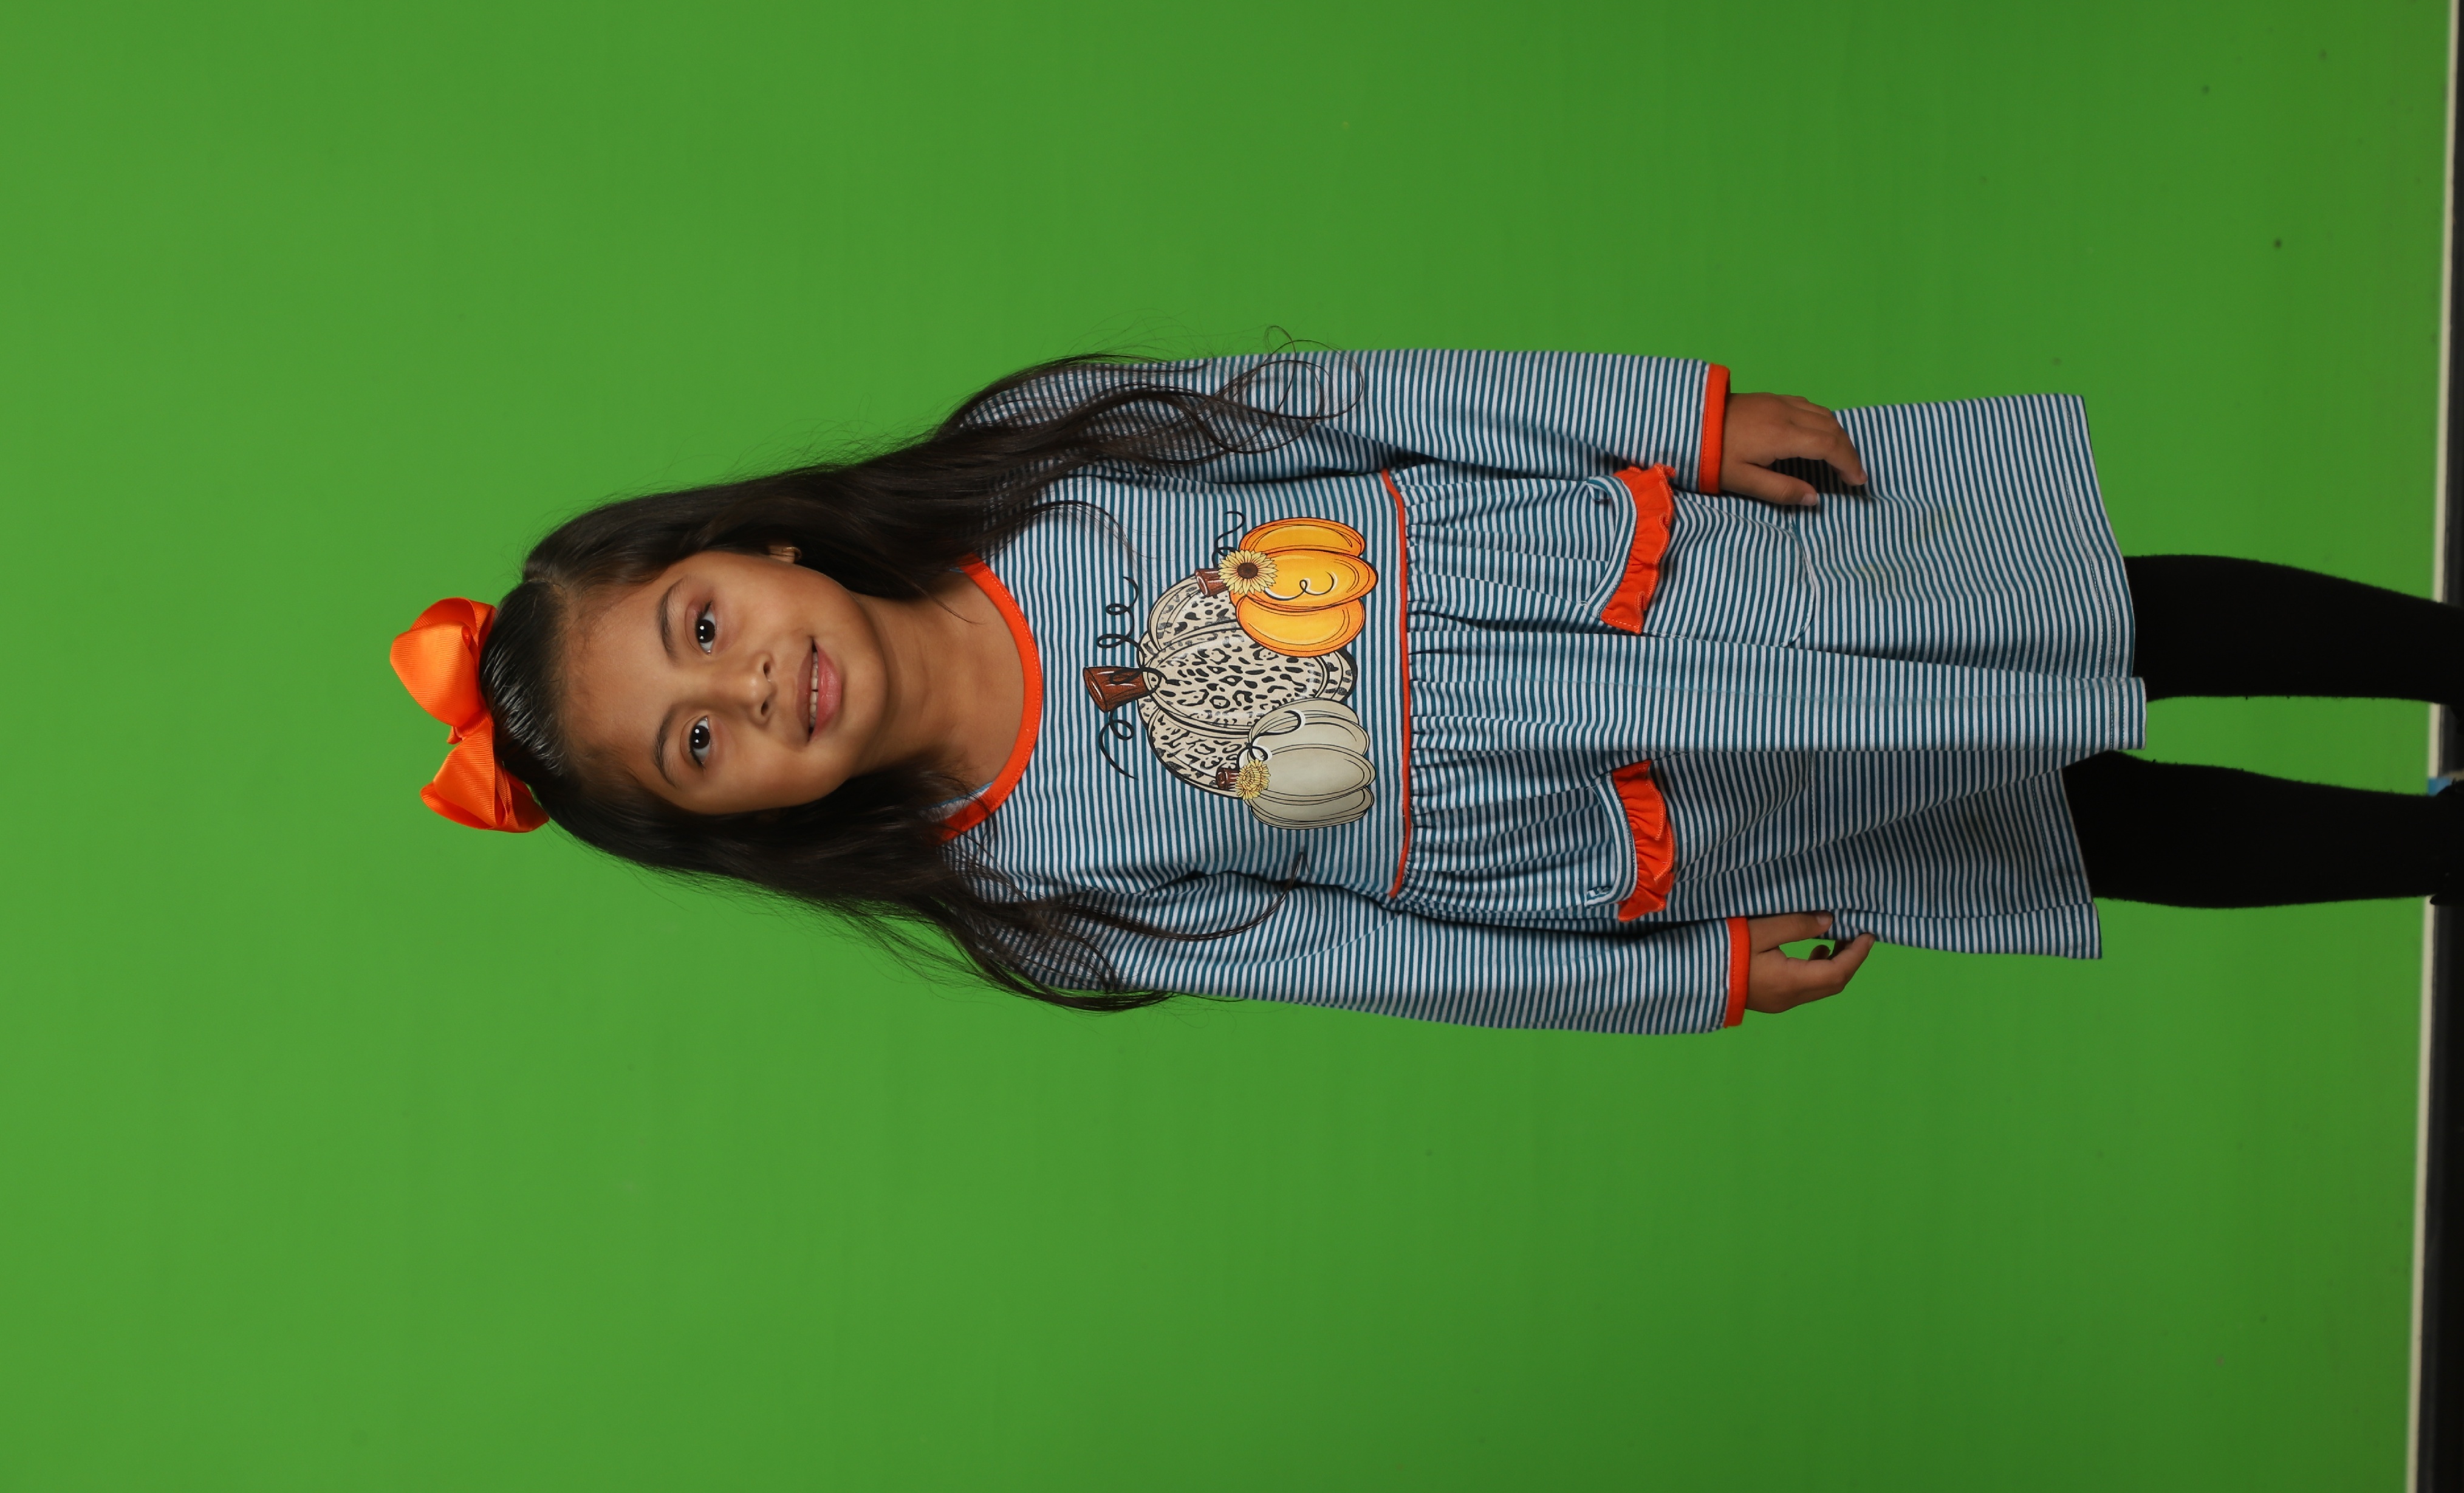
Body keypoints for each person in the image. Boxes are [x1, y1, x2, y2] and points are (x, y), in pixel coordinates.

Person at [389, 349, 2464, 1033]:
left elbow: (1366, 396)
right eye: (698, 745)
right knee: (2038, 804)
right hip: (1613, 822)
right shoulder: (1030, 895)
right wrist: (1681, 977)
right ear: (739, 823)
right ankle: (2439, 855)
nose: (754, 685)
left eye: (699, 624)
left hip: (1628, 580)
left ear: (744, 545)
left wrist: (1677, 416)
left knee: (2070, 618)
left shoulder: (1032, 459)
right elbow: (1359, 960)